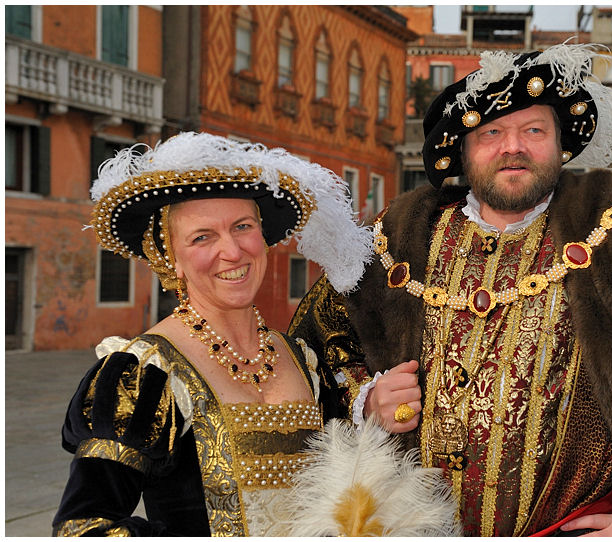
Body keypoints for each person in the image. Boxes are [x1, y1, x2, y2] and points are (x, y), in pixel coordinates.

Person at [289, 43, 612, 536]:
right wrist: (367, 399)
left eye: (533, 129)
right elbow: (315, 353)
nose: (512, 147)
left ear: (561, 144)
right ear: (464, 152)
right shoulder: (399, 238)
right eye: (491, 132)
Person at [52, 132, 376, 536]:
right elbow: (83, 526)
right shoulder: (144, 375)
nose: (233, 252)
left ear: (263, 236)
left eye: (242, 227)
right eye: (202, 237)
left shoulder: (304, 359)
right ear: (172, 258)